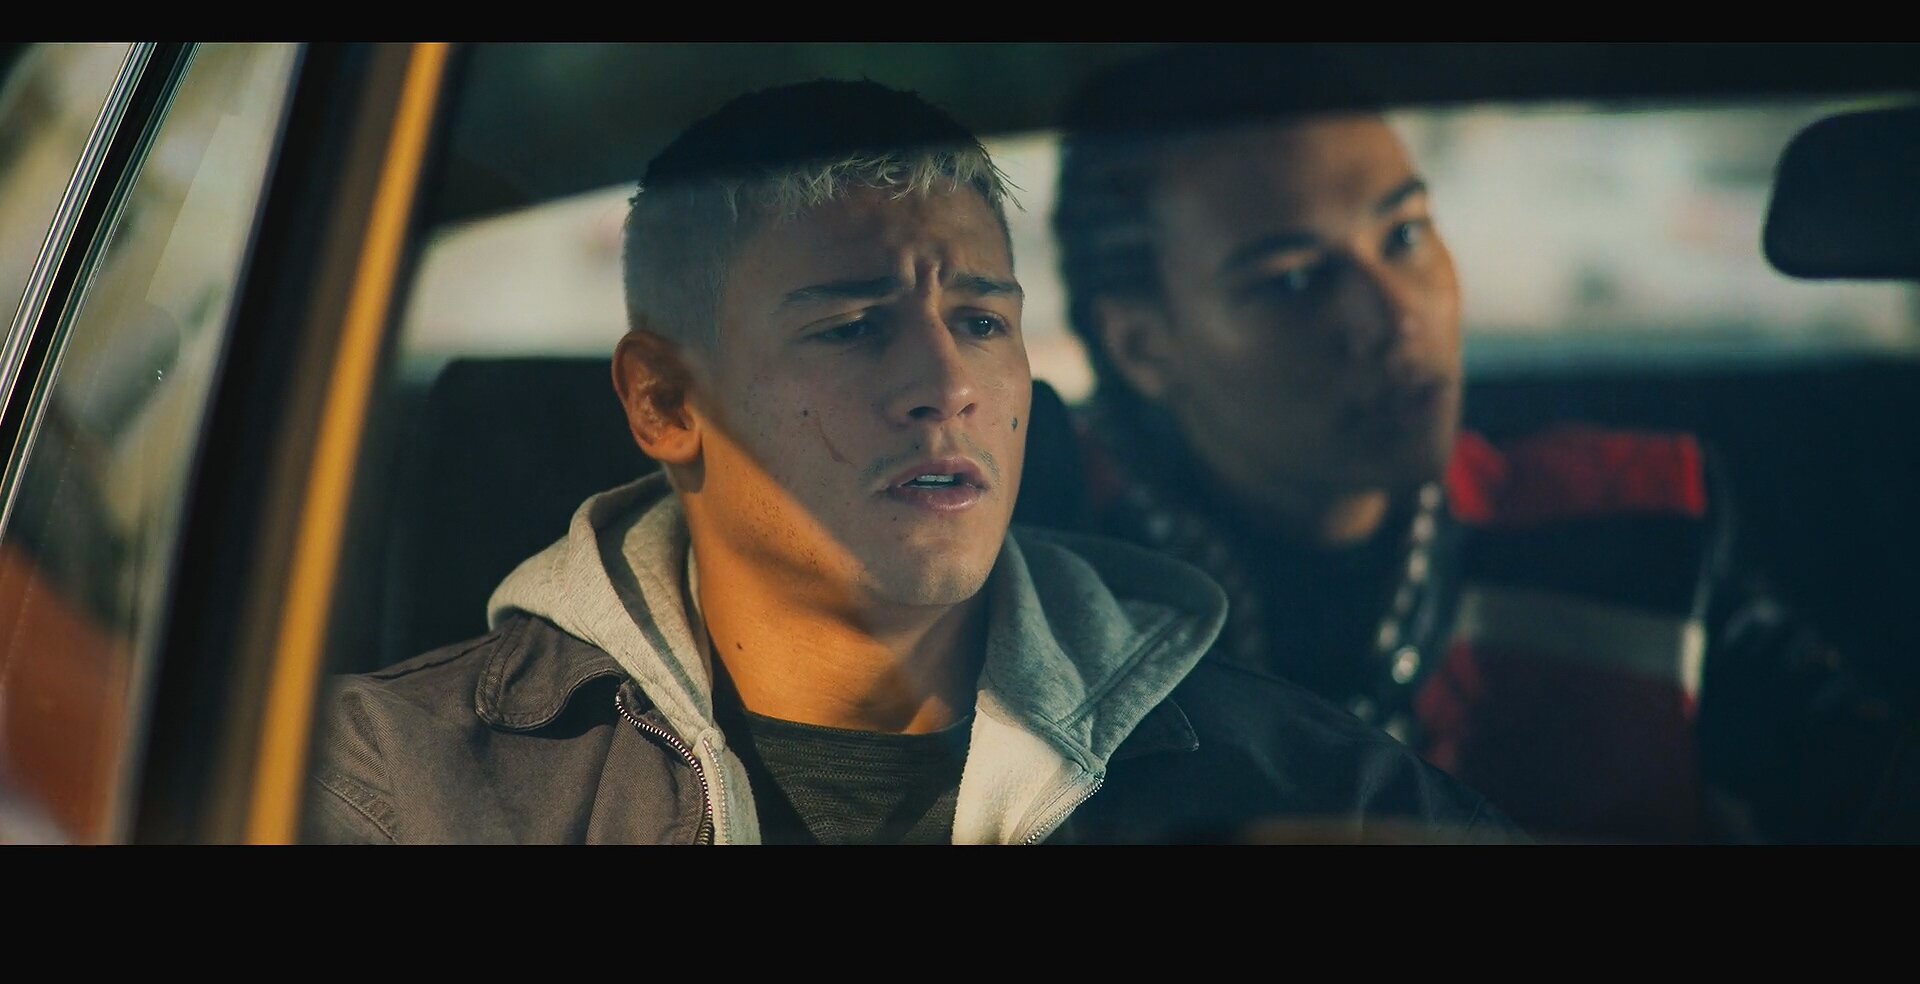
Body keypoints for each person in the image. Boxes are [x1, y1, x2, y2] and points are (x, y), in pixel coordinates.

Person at [301, 79, 1512, 844]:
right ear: (665, 402)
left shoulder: (1316, 794)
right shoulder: (388, 787)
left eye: (981, 319)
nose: (948, 384)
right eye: (851, 327)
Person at [1051, 45, 1907, 843]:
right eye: (1295, 280)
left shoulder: (1637, 528)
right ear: (1141, 345)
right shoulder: (1038, 586)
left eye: (1405, 235)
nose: (1395, 315)